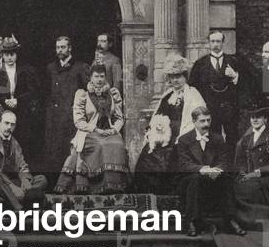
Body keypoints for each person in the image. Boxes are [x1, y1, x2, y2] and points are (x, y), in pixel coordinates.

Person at [54, 63, 129, 194]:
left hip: (109, 132)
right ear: (90, 78)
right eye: (96, 76)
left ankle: (113, 186)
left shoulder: (112, 94)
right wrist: (95, 129)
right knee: (100, 145)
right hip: (89, 132)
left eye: (102, 76)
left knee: (117, 144)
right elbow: (78, 120)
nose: (99, 79)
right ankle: (95, 186)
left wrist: (115, 129)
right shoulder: (83, 95)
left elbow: (119, 117)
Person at [175, 106, 244, 237]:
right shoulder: (184, 140)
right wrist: (203, 169)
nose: (206, 124)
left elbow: (224, 161)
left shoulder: (218, 139)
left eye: (208, 120)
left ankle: (230, 220)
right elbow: (184, 165)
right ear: (194, 121)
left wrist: (217, 170)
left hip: (213, 178)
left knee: (227, 178)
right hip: (191, 179)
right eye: (202, 121)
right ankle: (192, 222)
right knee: (194, 179)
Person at [188, 30, 248, 154]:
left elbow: (245, 85)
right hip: (209, 108)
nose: (215, 44)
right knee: (211, 138)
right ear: (209, 43)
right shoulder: (200, 64)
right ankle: (214, 165)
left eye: (218, 41)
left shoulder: (233, 61)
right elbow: (192, 87)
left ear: (223, 43)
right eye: (213, 41)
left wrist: (235, 76)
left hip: (229, 108)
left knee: (232, 137)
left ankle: (232, 167)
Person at [43, 35, 90, 180]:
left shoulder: (80, 67)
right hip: (53, 118)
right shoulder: (51, 68)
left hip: (70, 118)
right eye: (57, 47)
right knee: (53, 151)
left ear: (70, 48)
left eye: (63, 47)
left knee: (68, 151)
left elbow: (87, 93)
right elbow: (46, 92)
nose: (60, 50)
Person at [0, 35, 40, 163]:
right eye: (7, 55)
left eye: (12, 54)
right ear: (3, 55)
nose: (9, 58)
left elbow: (33, 91)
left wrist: (18, 100)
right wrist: (5, 101)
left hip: (23, 111)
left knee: (23, 141)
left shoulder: (26, 70)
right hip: (4, 112)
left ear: (16, 55)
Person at [147, 57, 207, 144]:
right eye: (172, 77)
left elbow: (199, 118)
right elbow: (158, 116)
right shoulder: (167, 96)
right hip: (165, 134)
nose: (175, 80)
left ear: (185, 77)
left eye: (178, 76)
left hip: (185, 134)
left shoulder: (193, 94)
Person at [133, 113, 176, 195]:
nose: (159, 127)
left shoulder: (171, 149)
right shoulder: (148, 148)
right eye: (158, 125)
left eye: (161, 125)